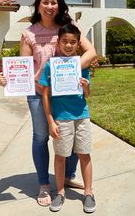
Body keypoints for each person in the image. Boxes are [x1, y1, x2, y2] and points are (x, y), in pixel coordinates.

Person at [0, 0, 97, 207]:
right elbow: (22, 68)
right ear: (38, 5)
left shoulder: (68, 28)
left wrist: (70, 71)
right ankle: (44, 183)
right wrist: (8, 79)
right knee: (41, 137)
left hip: (67, 94)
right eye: (45, 2)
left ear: (59, 5)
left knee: (69, 139)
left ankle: (69, 176)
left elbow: (91, 52)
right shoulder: (28, 34)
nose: (50, 6)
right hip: (37, 93)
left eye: (54, 2)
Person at [39, 23, 95, 213]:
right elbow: (45, 95)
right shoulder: (50, 65)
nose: (69, 45)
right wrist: (50, 120)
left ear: (78, 44)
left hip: (82, 116)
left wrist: (86, 86)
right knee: (61, 156)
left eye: (73, 42)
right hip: (61, 118)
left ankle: (88, 192)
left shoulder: (81, 64)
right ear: (58, 42)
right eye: (65, 42)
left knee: (85, 154)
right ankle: (60, 192)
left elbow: (86, 94)